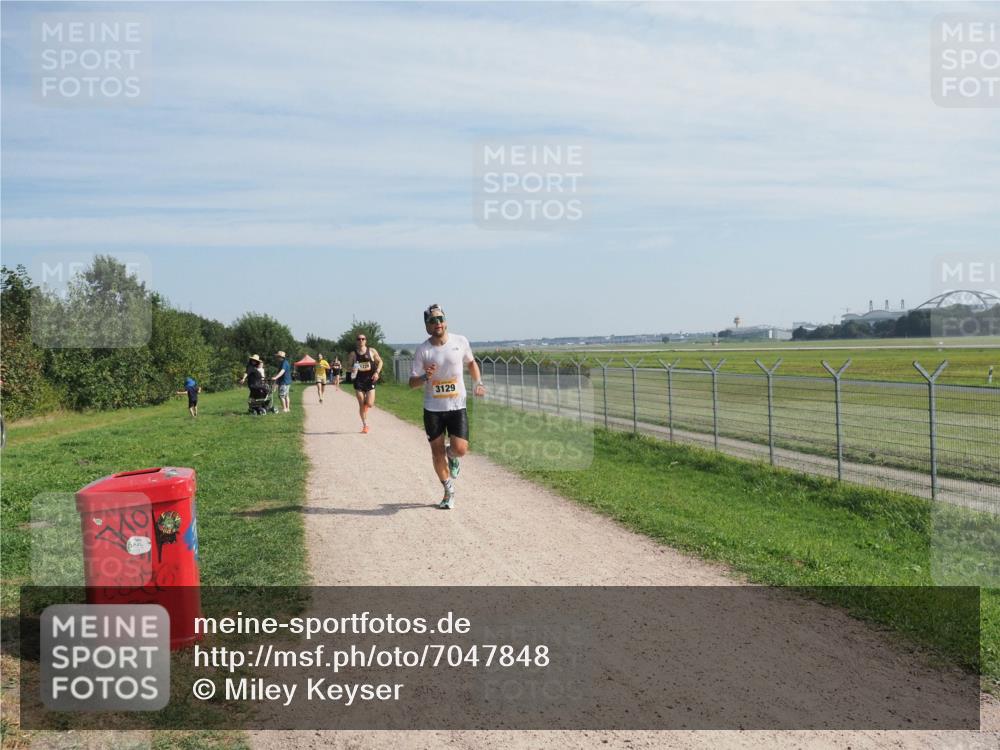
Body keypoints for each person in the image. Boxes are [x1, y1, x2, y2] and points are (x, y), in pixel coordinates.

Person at [408, 304, 486, 509]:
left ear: (446, 321)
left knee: (460, 449)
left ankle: (453, 457)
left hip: (456, 405)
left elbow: (471, 363)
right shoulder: (423, 350)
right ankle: (448, 491)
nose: (438, 324)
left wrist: (478, 383)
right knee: (436, 452)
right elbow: (412, 383)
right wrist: (425, 376)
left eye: (440, 319)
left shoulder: (460, 341)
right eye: (432, 321)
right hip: (433, 409)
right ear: (427, 326)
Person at [346, 334, 382, 433]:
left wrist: (377, 372)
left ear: (365, 340)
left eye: (363, 339)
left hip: (370, 380)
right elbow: (348, 366)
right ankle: (365, 425)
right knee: (361, 403)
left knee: (369, 404)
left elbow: (380, 362)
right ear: (356, 341)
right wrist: (352, 368)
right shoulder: (353, 354)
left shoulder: (372, 351)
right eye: (359, 339)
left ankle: (365, 408)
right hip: (359, 381)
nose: (361, 340)